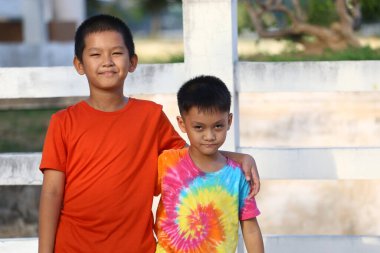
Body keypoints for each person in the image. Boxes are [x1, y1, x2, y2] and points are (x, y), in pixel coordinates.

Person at [38, 14, 260, 253]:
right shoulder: (63, 122)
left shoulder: (150, 117)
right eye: (95, 54)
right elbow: (51, 192)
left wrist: (239, 158)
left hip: (136, 247)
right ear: (79, 65)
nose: (107, 61)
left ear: (132, 62)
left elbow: (194, 154)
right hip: (73, 247)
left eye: (116, 53)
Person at [154, 75, 264, 253]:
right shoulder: (167, 163)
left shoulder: (238, 175)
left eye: (218, 126)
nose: (209, 136)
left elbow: (250, 229)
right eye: (199, 127)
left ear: (229, 121)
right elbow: (136, 199)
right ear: (182, 124)